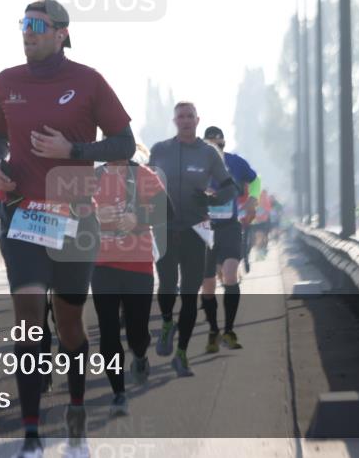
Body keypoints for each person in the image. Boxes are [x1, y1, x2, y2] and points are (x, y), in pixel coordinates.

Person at [0, 0, 134, 458]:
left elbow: (125, 142)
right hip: (25, 217)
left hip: (75, 222)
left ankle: (76, 415)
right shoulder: (7, 81)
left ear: (61, 33)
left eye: (36, 26)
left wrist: (72, 151)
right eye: (23, 25)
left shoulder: (88, 81)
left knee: (69, 325)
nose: (26, 33)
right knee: (29, 318)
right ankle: (31, 435)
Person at [147, 103, 237, 377]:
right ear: (174, 120)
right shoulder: (160, 149)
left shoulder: (209, 153)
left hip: (196, 230)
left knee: (189, 292)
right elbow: (145, 183)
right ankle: (165, 323)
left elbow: (229, 187)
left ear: (197, 120)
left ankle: (182, 354)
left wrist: (213, 198)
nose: (185, 121)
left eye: (190, 117)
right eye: (181, 116)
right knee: (166, 286)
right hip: (164, 228)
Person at [90, 143, 170, 417]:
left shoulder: (145, 175)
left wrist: (138, 217)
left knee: (137, 332)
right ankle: (118, 393)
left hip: (138, 265)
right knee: (108, 331)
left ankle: (140, 354)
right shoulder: (94, 177)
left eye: (118, 142)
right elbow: (72, 215)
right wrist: (94, 215)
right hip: (102, 265)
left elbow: (166, 211)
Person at [198, 126, 259, 353]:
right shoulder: (196, 166)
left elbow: (255, 180)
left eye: (220, 144)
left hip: (230, 227)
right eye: (211, 145)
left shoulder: (235, 162)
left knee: (231, 274)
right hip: (204, 229)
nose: (217, 149)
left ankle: (229, 331)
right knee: (208, 285)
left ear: (224, 143)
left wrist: (253, 200)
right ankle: (213, 331)